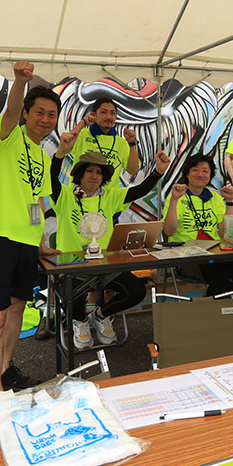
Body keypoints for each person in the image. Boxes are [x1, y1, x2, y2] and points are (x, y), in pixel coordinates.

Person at [0, 61, 60, 393]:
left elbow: (35, 202)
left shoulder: (43, 156)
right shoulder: (8, 137)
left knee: (16, 309)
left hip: (26, 243)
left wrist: (39, 241)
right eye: (39, 112)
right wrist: (20, 82)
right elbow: (10, 111)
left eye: (51, 115)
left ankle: (7, 368)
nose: (45, 119)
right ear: (27, 113)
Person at [49, 140, 170, 349]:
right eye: (89, 171)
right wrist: (59, 154)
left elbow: (139, 190)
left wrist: (158, 171)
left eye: (99, 172)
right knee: (70, 296)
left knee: (136, 291)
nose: (94, 176)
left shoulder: (110, 196)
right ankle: (80, 321)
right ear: (80, 174)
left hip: (105, 266)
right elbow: (51, 179)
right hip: (72, 266)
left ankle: (100, 315)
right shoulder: (64, 196)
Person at [163, 152, 233, 296]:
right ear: (187, 174)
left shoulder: (215, 198)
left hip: (213, 253)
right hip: (186, 257)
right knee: (222, 272)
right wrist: (174, 200)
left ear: (210, 175)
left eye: (205, 171)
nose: (200, 174)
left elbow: (225, 233)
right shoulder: (176, 197)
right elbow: (169, 232)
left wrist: (229, 202)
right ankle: (211, 309)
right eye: (195, 170)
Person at [67, 96, 140, 189]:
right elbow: (65, 145)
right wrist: (83, 123)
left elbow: (133, 171)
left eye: (112, 113)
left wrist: (132, 143)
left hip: (108, 197)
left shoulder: (121, 142)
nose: (108, 117)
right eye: (104, 112)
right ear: (94, 114)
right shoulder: (83, 134)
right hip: (79, 195)